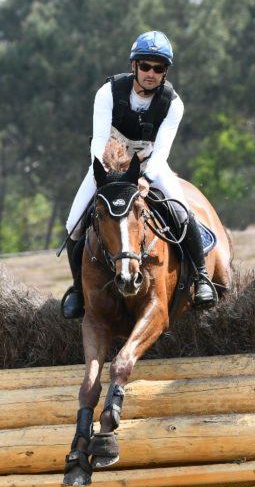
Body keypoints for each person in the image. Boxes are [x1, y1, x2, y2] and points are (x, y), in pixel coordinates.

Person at [60, 30, 217, 319]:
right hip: (109, 165)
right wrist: (104, 174)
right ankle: (77, 290)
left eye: (158, 69)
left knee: (181, 212)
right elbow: (98, 140)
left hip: (149, 166)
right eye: (145, 66)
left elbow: (163, 150)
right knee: (73, 224)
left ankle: (202, 277)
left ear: (165, 73)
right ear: (134, 66)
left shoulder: (173, 103)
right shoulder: (108, 93)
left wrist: (146, 178)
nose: (151, 73)